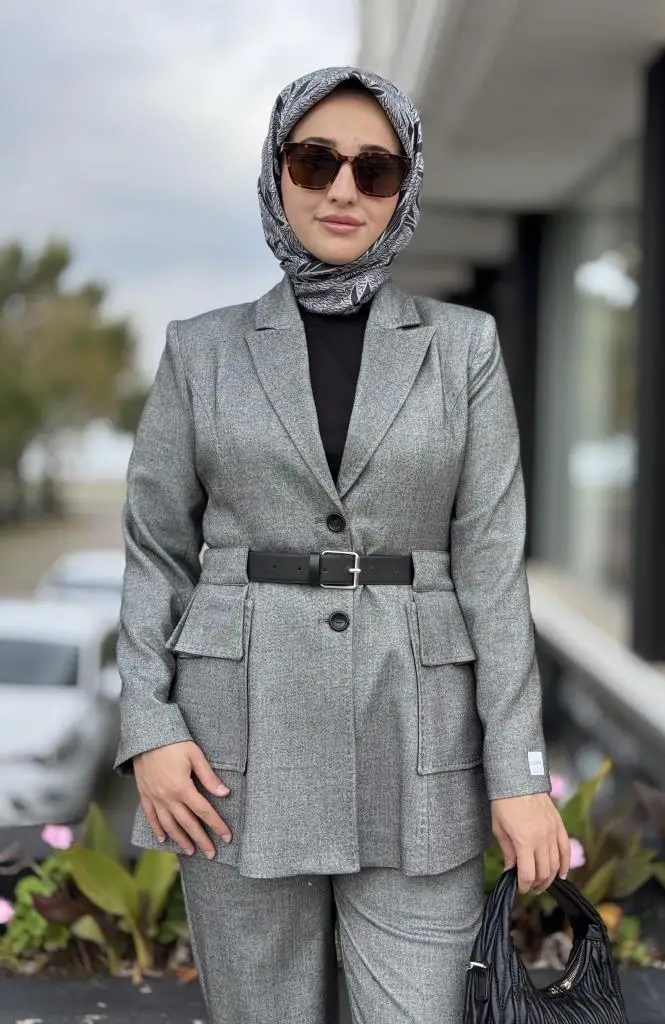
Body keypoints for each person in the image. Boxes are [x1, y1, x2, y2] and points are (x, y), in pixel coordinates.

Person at [113, 65, 570, 1024]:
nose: (343, 190)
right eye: (315, 161)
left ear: (404, 190)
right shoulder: (202, 350)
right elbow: (156, 550)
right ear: (277, 173)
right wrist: (151, 728)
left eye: (375, 169)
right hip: (232, 753)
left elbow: (493, 572)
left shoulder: (464, 348)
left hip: (421, 744)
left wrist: (520, 773)